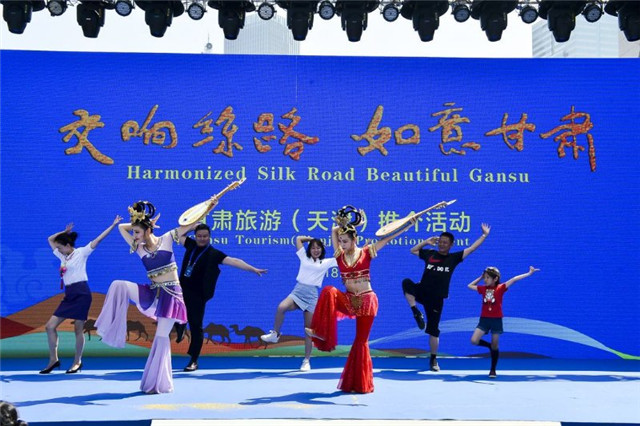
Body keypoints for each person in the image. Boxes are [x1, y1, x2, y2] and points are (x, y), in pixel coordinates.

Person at [305, 206, 411, 393]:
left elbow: (387, 238)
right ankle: (321, 331)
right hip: (349, 300)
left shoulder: (367, 252)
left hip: (366, 301)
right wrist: (348, 223)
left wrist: (407, 225)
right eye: (340, 241)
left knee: (361, 341)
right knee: (329, 291)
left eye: (345, 241)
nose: (342, 244)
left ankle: (359, 383)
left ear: (355, 239)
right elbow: (334, 230)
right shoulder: (339, 256)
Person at [95, 201, 192, 394]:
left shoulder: (167, 238)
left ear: (148, 230)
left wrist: (210, 205)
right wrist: (140, 221)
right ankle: (109, 328)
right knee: (119, 285)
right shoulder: (138, 247)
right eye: (134, 232)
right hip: (153, 293)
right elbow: (122, 228)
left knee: (161, 338)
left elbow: (190, 224)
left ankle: (158, 383)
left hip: (172, 297)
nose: (134, 235)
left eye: (137, 232)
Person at [176, 223, 267, 372]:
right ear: (195, 236)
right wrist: (191, 226)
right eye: (199, 236)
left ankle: (193, 360)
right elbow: (178, 235)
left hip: (199, 295)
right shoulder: (190, 245)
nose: (202, 239)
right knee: (173, 315)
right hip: (181, 290)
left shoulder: (214, 254)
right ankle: (180, 325)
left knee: (196, 326)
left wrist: (253, 269)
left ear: (210, 237)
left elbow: (234, 261)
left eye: (205, 236)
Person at [402, 223, 491, 372]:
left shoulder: (453, 258)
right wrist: (426, 242)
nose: (441, 244)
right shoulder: (430, 254)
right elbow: (413, 250)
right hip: (422, 291)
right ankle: (416, 312)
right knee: (406, 283)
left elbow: (472, 248)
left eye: (445, 242)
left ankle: (433, 359)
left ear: (451, 245)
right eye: (440, 241)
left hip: (436, 299)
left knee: (433, 330)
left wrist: (484, 235)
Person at [40, 216, 122, 375]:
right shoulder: (62, 256)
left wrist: (113, 225)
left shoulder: (82, 252)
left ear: (68, 246)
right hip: (69, 295)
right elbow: (50, 239)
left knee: (78, 329)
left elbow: (98, 239)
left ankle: (77, 362)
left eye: (60, 247)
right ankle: (53, 360)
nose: (58, 250)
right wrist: (64, 232)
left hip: (82, 294)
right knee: (50, 326)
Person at [260, 236, 336, 372]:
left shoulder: (326, 262)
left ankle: (306, 361)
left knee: (308, 330)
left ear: (322, 249)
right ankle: (275, 334)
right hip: (298, 291)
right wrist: (312, 239)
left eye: (318, 248)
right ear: (309, 250)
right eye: (313, 248)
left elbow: (342, 257)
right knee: (281, 307)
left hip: (311, 296)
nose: (316, 250)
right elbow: (298, 239)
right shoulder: (304, 257)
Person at [467, 265, 539, 377]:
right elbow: (470, 286)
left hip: (496, 320)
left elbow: (514, 279)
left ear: (495, 279)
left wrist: (529, 273)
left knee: (495, 346)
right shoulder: (483, 289)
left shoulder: (501, 288)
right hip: (484, 320)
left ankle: (493, 370)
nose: (485, 280)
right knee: (474, 340)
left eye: (487, 277)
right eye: (485, 277)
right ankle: (489, 346)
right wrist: (480, 277)